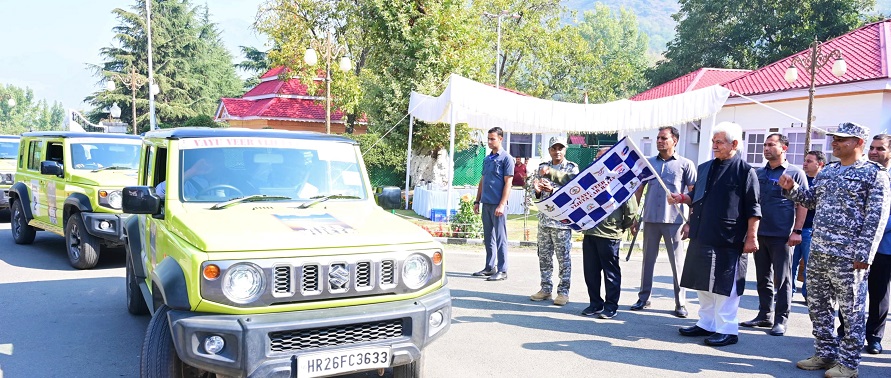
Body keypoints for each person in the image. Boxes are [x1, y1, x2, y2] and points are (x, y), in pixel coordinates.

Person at [779, 122, 890, 378]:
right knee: (818, 306)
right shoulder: (828, 171)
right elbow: (810, 201)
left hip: (849, 257)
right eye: (834, 138)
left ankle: (849, 364)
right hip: (819, 252)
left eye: (842, 139)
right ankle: (825, 353)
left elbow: (877, 218)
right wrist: (791, 189)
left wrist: (864, 254)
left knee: (851, 311)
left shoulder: (874, 174)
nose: (834, 142)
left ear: (858, 143)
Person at [668, 121, 760, 347]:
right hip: (702, 233)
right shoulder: (706, 167)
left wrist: (752, 236)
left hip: (729, 237)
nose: (714, 146)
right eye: (713, 141)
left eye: (719, 142)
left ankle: (727, 329)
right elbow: (697, 198)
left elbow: (754, 209)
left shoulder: (746, 172)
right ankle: (706, 323)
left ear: (734, 144)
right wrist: (681, 200)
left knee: (725, 285)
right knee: (702, 282)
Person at [740, 133, 808, 337]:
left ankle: (781, 319)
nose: (766, 148)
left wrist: (797, 231)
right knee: (763, 277)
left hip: (783, 235)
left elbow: (802, 204)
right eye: (765, 145)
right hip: (760, 233)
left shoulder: (795, 173)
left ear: (784, 148)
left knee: (784, 279)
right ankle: (764, 314)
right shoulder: (758, 173)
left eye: (771, 145)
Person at [630, 126, 696, 318]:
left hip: (674, 220)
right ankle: (643, 298)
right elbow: (639, 189)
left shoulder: (685, 164)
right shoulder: (648, 163)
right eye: (658, 138)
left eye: (664, 138)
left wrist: (689, 222)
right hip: (650, 218)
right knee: (647, 261)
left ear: (674, 140)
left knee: (677, 264)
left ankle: (680, 302)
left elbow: (693, 193)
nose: (659, 141)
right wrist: (635, 217)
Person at [581, 147, 637, 319]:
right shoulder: (591, 180)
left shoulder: (620, 180)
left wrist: (620, 226)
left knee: (611, 273)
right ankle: (595, 303)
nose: (597, 161)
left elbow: (631, 210)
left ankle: (611, 306)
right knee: (590, 272)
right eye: (596, 158)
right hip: (590, 232)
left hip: (609, 234)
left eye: (601, 158)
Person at [529, 137, 579, 306]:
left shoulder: (571, 168)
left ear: (565, 150)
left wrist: (553, 190)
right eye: (554, 148)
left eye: (560, 148)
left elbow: (574, 192)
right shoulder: (543, 167)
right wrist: (536, 191)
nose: (557, 151)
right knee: (544, 257)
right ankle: (545, 289)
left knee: (563, 258)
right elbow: (532, 190)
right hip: (544, 220)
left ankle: (563, 292)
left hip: (562, 222)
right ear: (549, 150)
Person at [472, 127, 515, 281]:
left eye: (492, 139)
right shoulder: (487, 159)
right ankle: (490, 267)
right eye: (488, 139)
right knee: (488, 236)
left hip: (498, 205)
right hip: (486, 203)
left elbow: (508, 183)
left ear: (500, 139)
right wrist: (477, 201)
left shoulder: (506, 159)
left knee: (500, 237)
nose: (489, 142)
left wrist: (502, 204)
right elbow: (482, 181)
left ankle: (503, 270)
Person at [864, 134, 891, 355]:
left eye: (880, 149)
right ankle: (846, 331)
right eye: (872, 148)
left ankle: (874, 337)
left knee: (879, 292)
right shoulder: (862, 173)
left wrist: (876, 228)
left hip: (884, 246)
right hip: (858, 245)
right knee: (851, 292)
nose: (874, 152)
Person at [791, 151, 826, 301]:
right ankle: (787, 292)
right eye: (805, 160)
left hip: (811, 230)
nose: (805, 163)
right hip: (794, 229)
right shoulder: (800, 180)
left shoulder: (822, 182)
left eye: (809, 161)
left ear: (820, 164)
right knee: (790, 265)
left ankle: (808, 295)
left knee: (810, 267)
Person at [156, 150, 221, 199]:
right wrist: (191, 172)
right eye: (213, 160)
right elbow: (159, 193)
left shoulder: (229, 178)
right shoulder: (187, 181)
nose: (217, 164)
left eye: (220, 160)